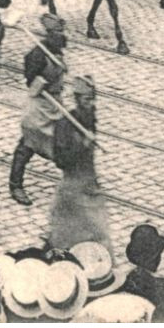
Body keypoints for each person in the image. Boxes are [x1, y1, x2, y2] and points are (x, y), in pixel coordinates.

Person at [11, 12, 68, 205]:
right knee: (28, 143)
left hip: (55, 102)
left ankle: (72, 185)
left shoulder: (58, 51)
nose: (61, 36)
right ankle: (15, 184)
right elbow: (31, 83)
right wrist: (43, 81)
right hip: (39, 105)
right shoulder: (37, 55)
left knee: (62, 142)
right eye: (57, 32)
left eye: (62, 31)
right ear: (49, 34)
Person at [48, 75, 108, 249]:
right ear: (77, 98)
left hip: (90, 184)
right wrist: (82, 145)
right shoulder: (64, 125)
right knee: (66, 236)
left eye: (93, 99)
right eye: (87, 99)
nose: (91, 103)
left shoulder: (90, 117)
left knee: (97, 232)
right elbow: (61, 161)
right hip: (72, 189)